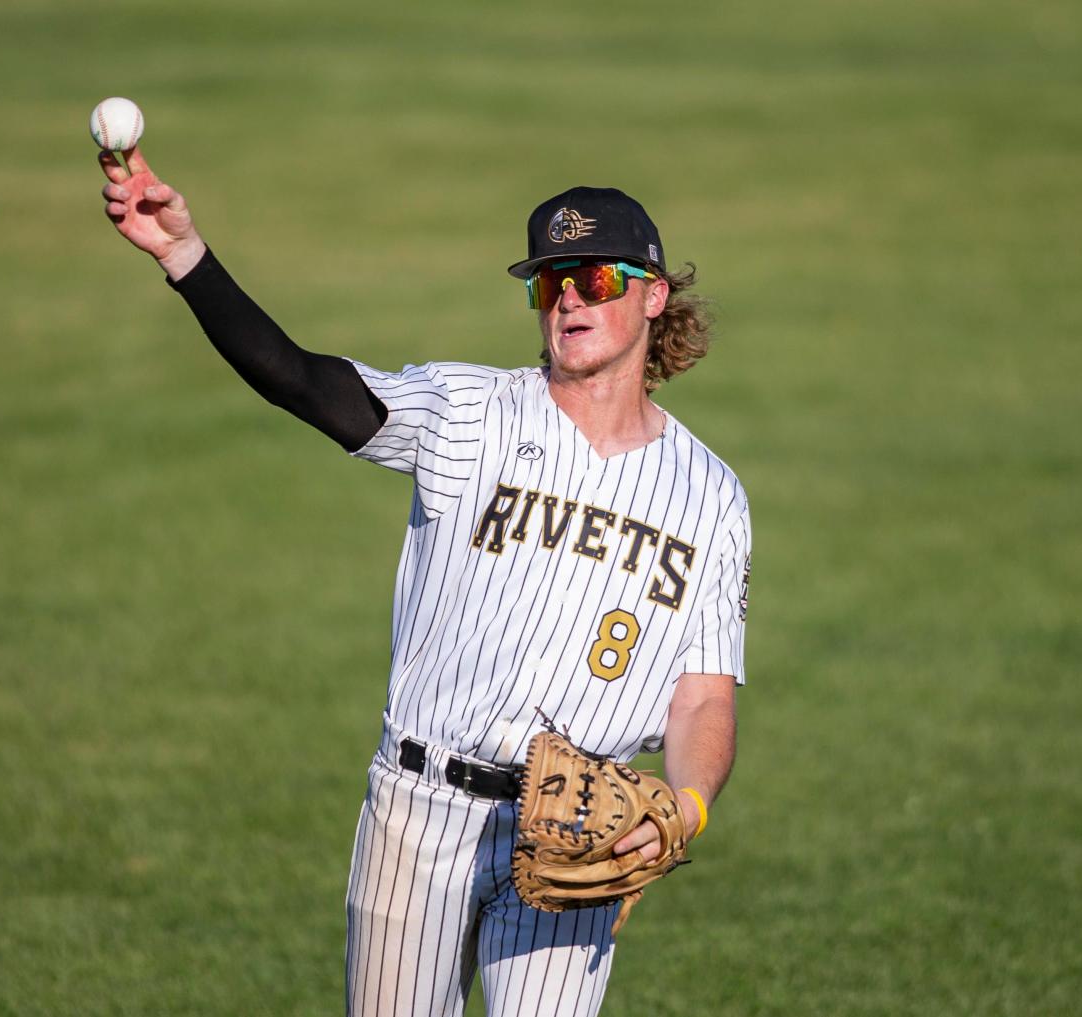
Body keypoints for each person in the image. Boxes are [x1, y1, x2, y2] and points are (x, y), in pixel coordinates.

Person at [98, 145, 751, 1017]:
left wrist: (686, 806)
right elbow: (298, 376)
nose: (567, 297)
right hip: (419, 815)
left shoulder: (711, 494)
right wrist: (184, 255)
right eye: (548, 280)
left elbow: (704, 698)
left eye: (594, 276)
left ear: (653, 293)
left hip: (575, 832)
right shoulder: (466, 413)